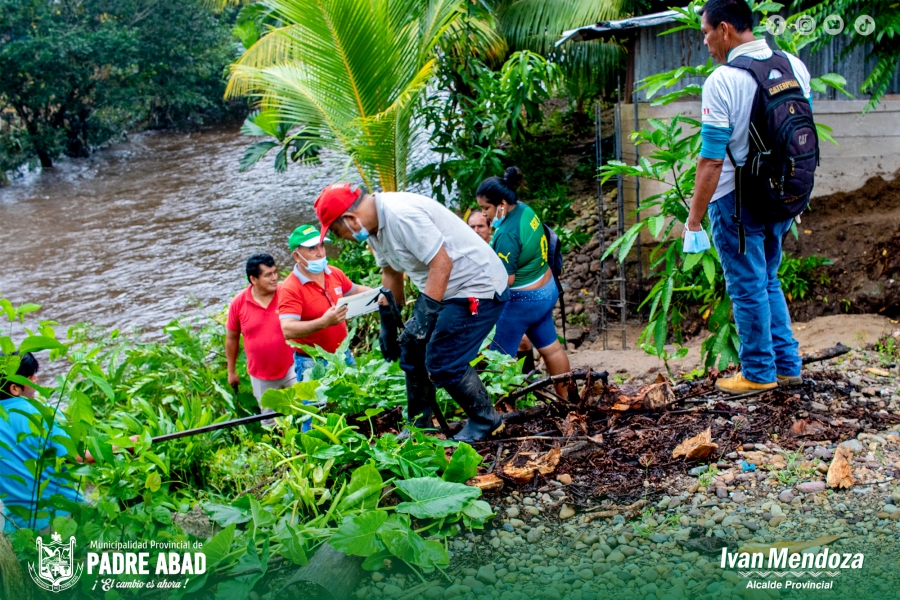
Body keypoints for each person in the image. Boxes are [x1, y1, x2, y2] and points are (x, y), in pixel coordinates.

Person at [315, 183, 510, 442]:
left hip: (478, 285)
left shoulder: (401, 215)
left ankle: (487, 421)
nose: (344, 240)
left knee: (444, 361)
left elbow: (442, 263)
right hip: (446, 289)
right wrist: (388, 322)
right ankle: (420, 424)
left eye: (339, 233)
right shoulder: (373, 229)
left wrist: (423, 316)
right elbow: (390, 273)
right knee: (412, 350)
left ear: (351, 219)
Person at [685, 0, 807, 394]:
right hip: (784, 195)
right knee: (768, 277)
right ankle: (787, 365)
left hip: (736, 201)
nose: (705, 42)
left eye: (705, 33)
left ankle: (757, 373)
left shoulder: (723, 80)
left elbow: (711, 161)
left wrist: (693, 220)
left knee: (747, 285)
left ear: (724, 29)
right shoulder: (792, 65)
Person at [476, 167, 573, 400]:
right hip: (546, 289)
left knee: (498, 359)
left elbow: (504, 282)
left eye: (486, 208)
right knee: (551, 348)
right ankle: (569, 402)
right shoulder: (525, 210)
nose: (483, 215)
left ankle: (500, 413)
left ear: (501, 204)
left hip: (523, 302)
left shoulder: (506, 234)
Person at [278, 224, 372, 382]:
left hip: (343, 353)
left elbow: (354, 290)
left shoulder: (334, 273)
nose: (320, 253)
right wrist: (323, 322)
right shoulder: (290, 288)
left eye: (321, 245)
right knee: (319, 405)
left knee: (357, 400)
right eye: (312, 248)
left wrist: (379, 293)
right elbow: (287, 329)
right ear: (296, 256)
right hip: (312, 361)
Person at [0, 352, 81, 531]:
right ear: (15, 388)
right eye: (30, 377)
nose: (36, 379)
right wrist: (122, 446)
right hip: (60, 515)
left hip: (18, 527)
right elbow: (76, 458)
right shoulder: (43, 412)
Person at [226, 254, 296, 426]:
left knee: (303, 409)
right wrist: (231, 371)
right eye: (268, 275)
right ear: (253, 279)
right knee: (270, 423)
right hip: (261, 375)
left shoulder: (286, 292)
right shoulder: (238, 303)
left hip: (292, 366)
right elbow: (232, 338)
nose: (274, 278)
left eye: (275, 272)